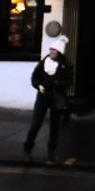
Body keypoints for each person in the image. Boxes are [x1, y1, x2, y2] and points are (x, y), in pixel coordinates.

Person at [23, 34, 74, 162]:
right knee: (36, 124)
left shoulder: (66, 65)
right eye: (50, 49)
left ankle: (51, 151)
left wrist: (57, 84)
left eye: (54, 50)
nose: (51, 51)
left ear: (59, 52)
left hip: (55, 97)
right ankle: (27, 150)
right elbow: (34, 77)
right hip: (42, 96)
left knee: (54, 126)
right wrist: (38, 86)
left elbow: (69, 81)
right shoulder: (44, 62)